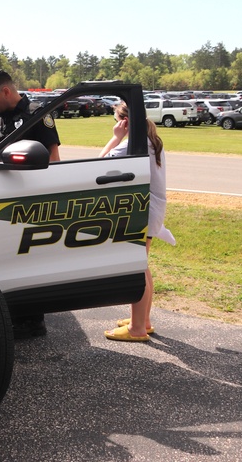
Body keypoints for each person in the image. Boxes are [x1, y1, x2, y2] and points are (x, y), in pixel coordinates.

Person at [0, 70, 60, 338]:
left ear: (5, 91)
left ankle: (31, 321)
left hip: (28, 200)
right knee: (0, 257)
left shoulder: (37, 113)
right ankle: (3, 313)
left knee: (27, 256)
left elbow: (53, 158)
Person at [98, 104, 175, 342]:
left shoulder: (131, 144)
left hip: (143, 212)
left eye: (116, 119)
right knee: (142, 267)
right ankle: (143, 320)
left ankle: (137, 327)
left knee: (136, 268)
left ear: (124, 122)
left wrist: (114, 137)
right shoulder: (151, 140)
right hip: (151, 211)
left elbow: (98, 164)